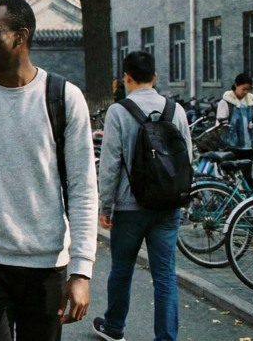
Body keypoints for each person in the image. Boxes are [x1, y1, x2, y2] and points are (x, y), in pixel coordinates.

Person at [0, 0, 98, 341]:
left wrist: (81, 271)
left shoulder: (63, 97)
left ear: (21, 36)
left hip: (47, 265)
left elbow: (83, 188)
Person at [93, 51, 193, 341]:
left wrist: (106, 205)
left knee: (122, 269)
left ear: (126, 78)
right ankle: (166, 337)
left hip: (129, 206)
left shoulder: (119, 112)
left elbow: (110, 162)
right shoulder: (177, 110)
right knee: (165, 274)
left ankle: (114, 327)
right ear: (155, 77)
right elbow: (188, 157)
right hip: (167, 206)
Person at [216, 73, 253, 189]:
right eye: (243, 89)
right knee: (230, 177)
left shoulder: (251, 101)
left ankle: (248, 201)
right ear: (236, 85)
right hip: (231, 146)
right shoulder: (226, 102)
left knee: (247, 176)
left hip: (248, 146)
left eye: (248, 89)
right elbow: (220, 125)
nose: (246, 92)